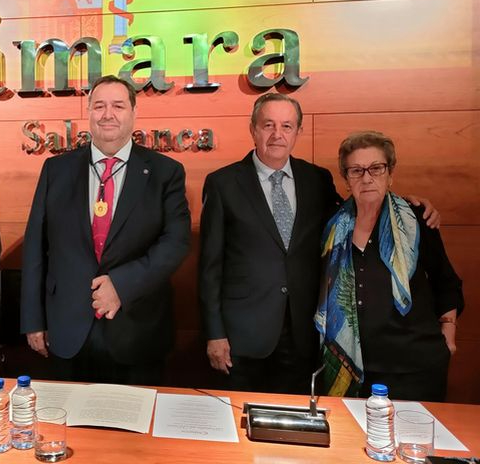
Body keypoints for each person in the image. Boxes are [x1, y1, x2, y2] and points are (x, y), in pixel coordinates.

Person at [198, 93, 440, 394]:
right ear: (253, 129)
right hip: (243, 339)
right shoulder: (223, 184)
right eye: (268, 125)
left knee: (296, 426)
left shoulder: (317, 179)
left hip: (304, 334)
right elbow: (209, 267)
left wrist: (410, 204)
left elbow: (360, 208)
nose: (277, 134)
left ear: (298, 132)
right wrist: (215, 334)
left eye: (287, 126)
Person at [20, 75, 191, 385]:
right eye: (99, 106)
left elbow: (175, 244)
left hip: (138, 332)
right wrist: (33, 321)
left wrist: (121, 285)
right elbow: (35, 247)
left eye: (118, 106)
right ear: (88, 112)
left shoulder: (166, 173)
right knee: (68, 428)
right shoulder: (56, 170)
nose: (107, 114)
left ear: (133, 113)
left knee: (134, 430)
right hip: (67, 331)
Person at [315, 131, 462, 402]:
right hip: (353, 369)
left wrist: (448, 335)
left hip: (416, 368)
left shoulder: (417, 219)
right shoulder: (331, 225)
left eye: (376, 168)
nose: (367, 178)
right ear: (346, 179)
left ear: (390, 173)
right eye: (357, 170)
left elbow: (446, 282)